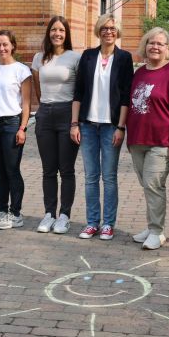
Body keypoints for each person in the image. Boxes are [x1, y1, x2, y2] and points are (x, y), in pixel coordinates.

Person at [126, 28, 169, 250]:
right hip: (137, 138)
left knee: (154, 185)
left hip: (161, 140)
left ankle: (157, 231)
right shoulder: (140, 73)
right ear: (145, 46)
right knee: (147, 185)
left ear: (168, 49)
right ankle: (152, 226)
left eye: (160, 44)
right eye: (151, 43)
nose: (155, 47)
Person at [71, 13, 133, 240]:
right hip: (87, 125)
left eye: (112, 28)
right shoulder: (87, 56)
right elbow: (78, 92)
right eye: (105, 28)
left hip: (111, 127)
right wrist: (74, 123)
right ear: (99, 31)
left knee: (109, 176)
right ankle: (91, 222)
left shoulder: (125, 58)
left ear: (117, 32)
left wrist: (121, 127)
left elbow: (126, 96)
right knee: (90, 177)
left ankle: (108, 223)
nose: (109, 31)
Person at [30, 16, 81, 234]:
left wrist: (75, 121)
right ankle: (49, 213)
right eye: (53, 30)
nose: (57, 34)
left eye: (61, 30)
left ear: (66, 34)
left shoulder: (74, 58)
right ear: (48, 33)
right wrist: (44, 109)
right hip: (45, 115)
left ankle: (64, 215)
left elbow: (79, 91)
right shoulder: (39, 58)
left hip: (67, 114)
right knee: (48, 170)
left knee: (66, 169)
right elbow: (37, 89)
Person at [0, 30, 32, 230]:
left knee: (12, 170)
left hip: (12, 125)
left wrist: (22, 128)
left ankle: (16, 213)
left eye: (5, 44)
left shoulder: (21, 71)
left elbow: (27, 104)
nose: (1, 48)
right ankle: (2, 210)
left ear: (13, 46)